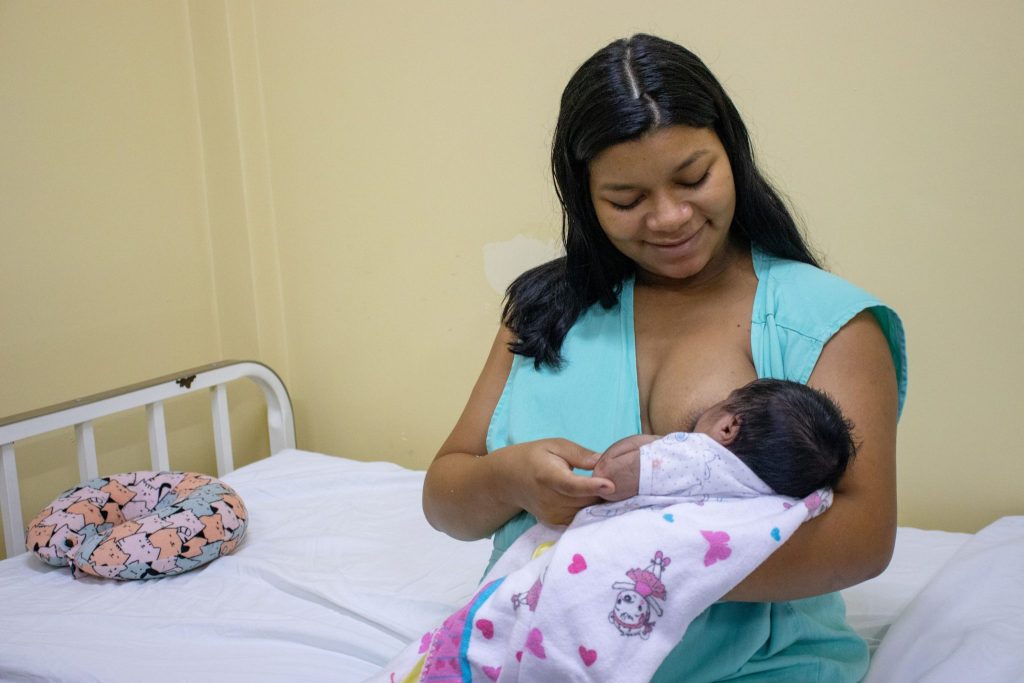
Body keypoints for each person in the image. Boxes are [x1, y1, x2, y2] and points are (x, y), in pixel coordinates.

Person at [423, 33, 906, 681]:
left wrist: (623, 562)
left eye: (694, 177)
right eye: (626, 200)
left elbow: (863, 537)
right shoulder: (542, 311)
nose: (670, 217)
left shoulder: (826, 323)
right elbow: (444, 497)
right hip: (531, 659)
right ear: (585, 198)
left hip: (758, 669)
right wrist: (511, 479)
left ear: (732, 153)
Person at [379, 380, 857, 682]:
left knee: (491, 638)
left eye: (721, 406)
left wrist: (647, 448)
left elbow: (615, 475)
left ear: (729, 427)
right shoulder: (776, 504)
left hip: (578, 585)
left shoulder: (696, 455)